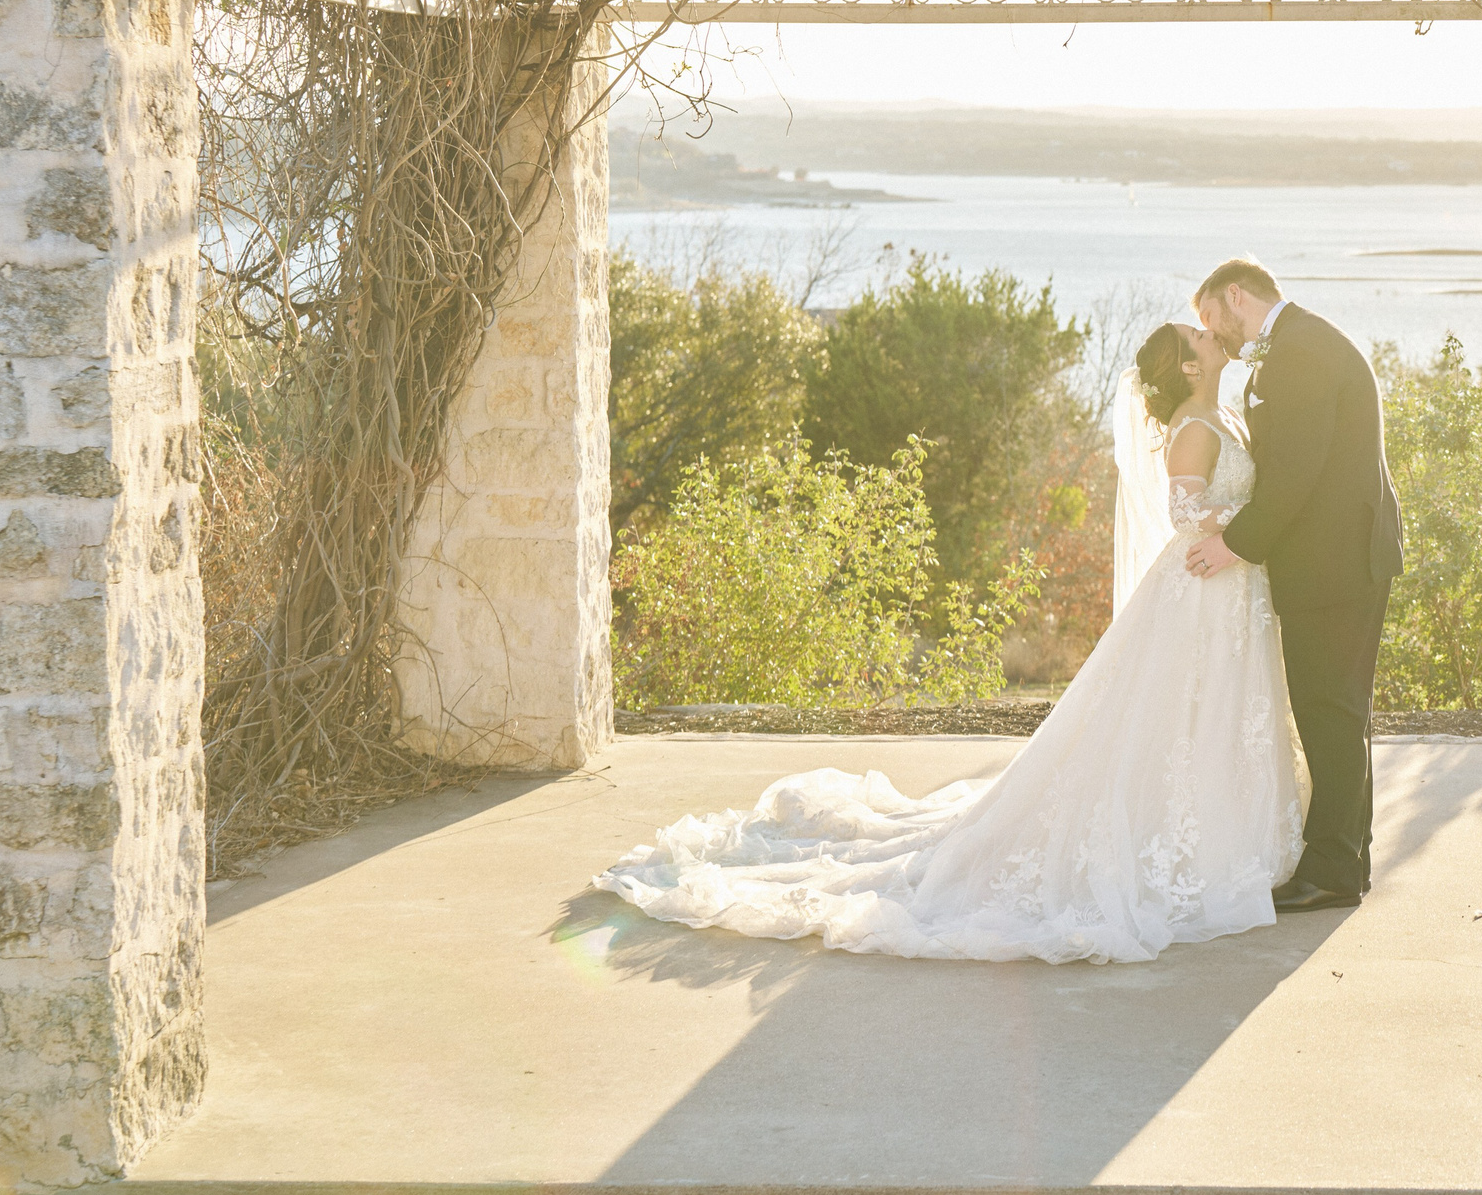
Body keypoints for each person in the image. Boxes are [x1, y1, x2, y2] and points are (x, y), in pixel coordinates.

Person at [592, 318, 1302, 964]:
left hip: (1229, 592)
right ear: (1184, 367)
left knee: (1205, 720)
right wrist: (1246, 522)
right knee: (1172, 721)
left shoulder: (1225, 413)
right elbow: (1184, 511)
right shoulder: (1192, 425)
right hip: (1201, 586)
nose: (1211, 335)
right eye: (1199, 338)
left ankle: (1226, 835)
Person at [1187, 256, 1404, 912]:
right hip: (1337, 557)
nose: (1214, 335)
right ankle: (1343, 858)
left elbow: (1296, 473)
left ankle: (1335, 868)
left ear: (1235, 296)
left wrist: (1235, 543)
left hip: (1336, 560)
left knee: (1330, 709)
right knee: (1334, 709)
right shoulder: (1299, 344)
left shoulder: (1301, 352)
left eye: (1210, 320)